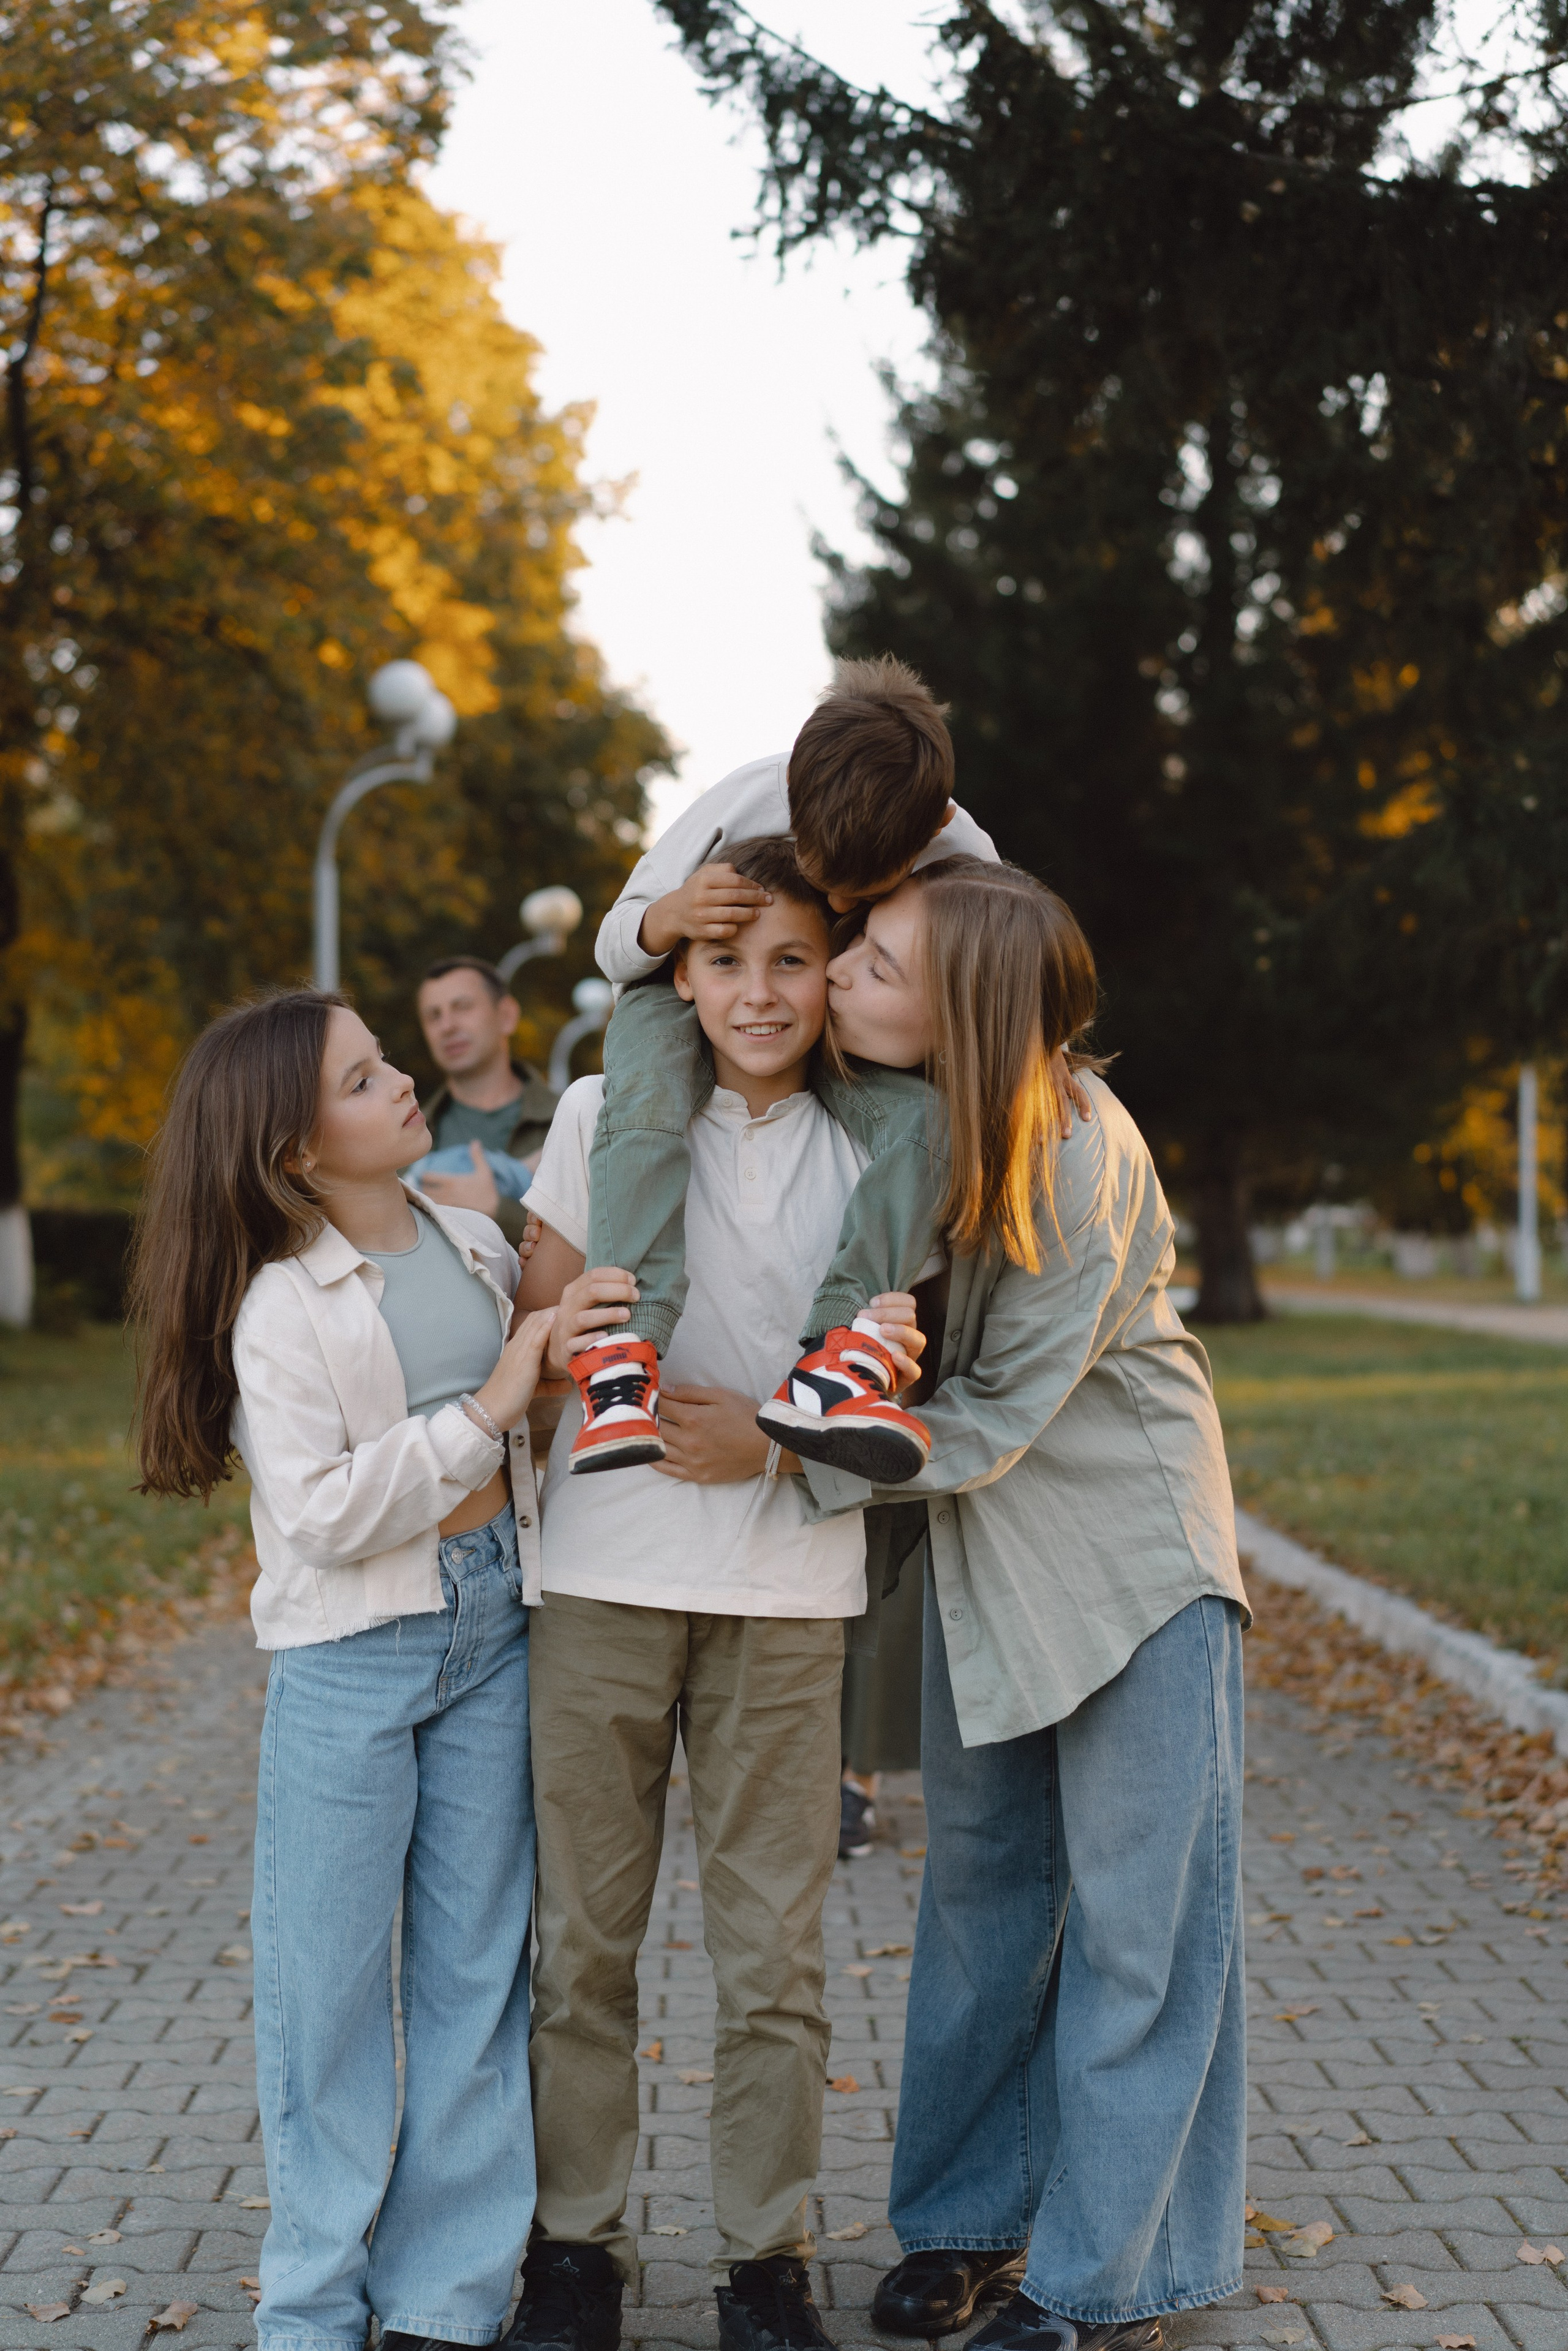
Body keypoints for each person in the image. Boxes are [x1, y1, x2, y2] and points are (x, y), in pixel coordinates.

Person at [798, 858, 1250, 2351]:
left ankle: (1093, 2277)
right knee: (979, 1902)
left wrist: (783, 1443)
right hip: (990, 1565)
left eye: (873, 956)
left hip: (1129, 1563)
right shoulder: (924, 1121)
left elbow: (992, 1413)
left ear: (967, 1002)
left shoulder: (1077, 1151)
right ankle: (959, 2223)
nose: (841, 970)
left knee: (1140, 1929)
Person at [502, 839, 929, 2351]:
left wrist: (764, 1436)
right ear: (675, 973)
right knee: (583, 1945)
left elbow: (889, 1386)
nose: (759, 991)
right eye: (729, 958)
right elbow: (537, 1325)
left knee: (772, 1959)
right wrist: (570, 1338)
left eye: (794, 961)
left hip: (786, 1585)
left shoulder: (879, 1146)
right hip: (604, 1578)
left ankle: (764, 2259)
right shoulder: (600, 1111)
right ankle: (575, 2253)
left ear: (832, 983)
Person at [129, 987, 557, 2351]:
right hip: (350, 1658)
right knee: (324, 1993)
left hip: (494, 1627)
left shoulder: (477, 1239)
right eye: (364, 1080)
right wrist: (491, 1412)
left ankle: (446, 2294)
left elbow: (516, 1424)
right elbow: (316, 1510)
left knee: (473, 1972)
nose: (400, 1088)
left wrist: (548, 1374)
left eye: (385, 1064)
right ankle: (315, 2302)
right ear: (295, 1152)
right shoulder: (277, 1307)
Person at [565, 655, 1000, 1484]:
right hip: (687, 1001)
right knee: (649, 1095)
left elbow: (1006, 971)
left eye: (860, 893)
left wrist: (1041, 1061)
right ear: (794, 784)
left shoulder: (965, 847)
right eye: (822, 873)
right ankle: (625, 1343)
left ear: (933, 823)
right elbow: (614, 939)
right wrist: (670, 917)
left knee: (928, 1122)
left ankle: (844, 1349)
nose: (840, 905)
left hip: (829, 1008)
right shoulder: (745, 795)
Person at [413, 955, 559, 1247]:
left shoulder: (570, 1121)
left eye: (462, 1007)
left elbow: (602, 1240)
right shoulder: (408, 1137)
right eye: (433, 1016)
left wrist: (498, 1211)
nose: (448, 1026)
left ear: (506, 1016)